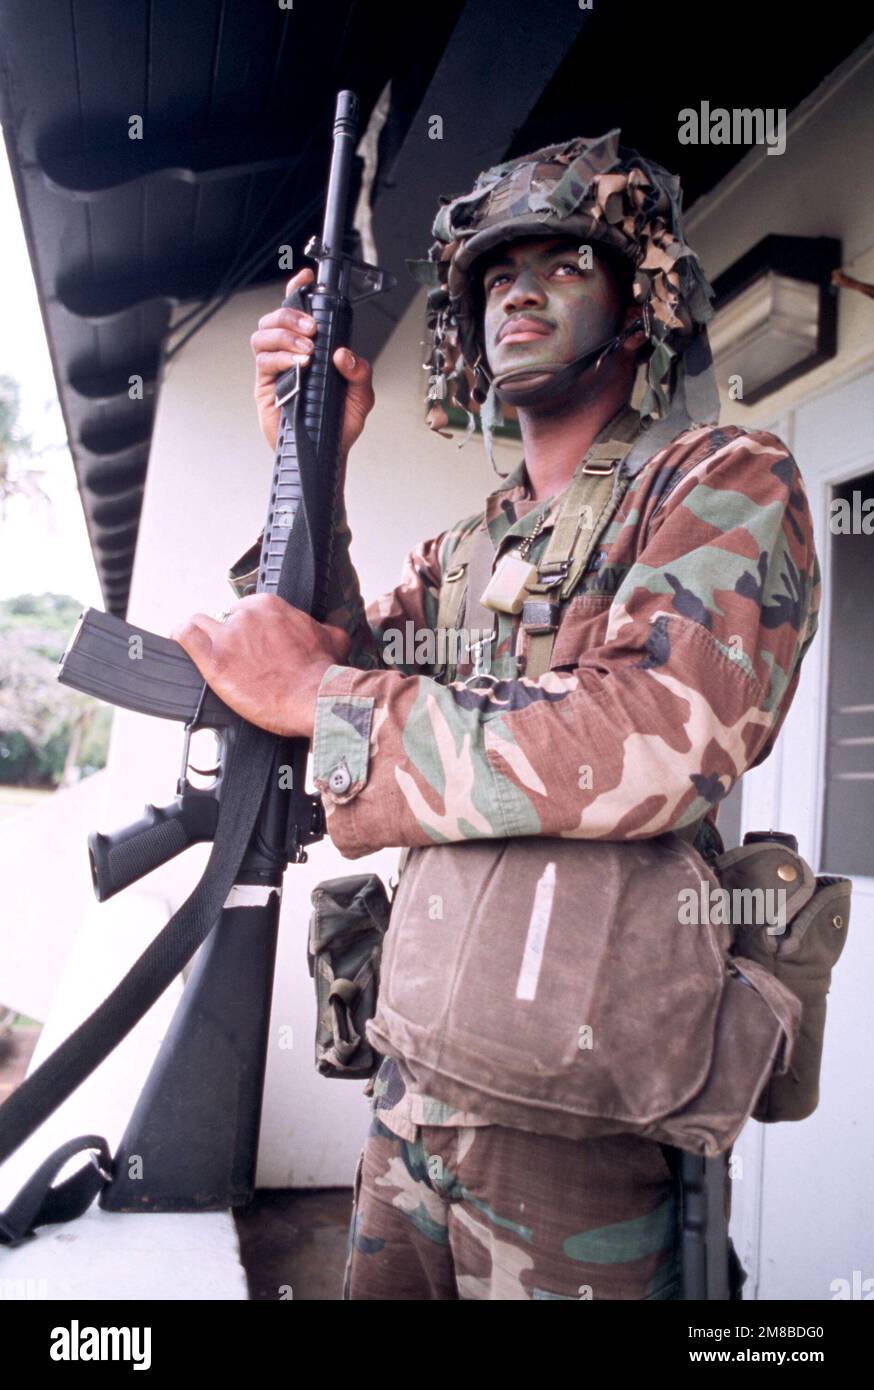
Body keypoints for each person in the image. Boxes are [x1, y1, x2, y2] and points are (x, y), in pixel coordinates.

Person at [172, 132, 821, 1300]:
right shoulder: (473, 548)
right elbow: (322, 689)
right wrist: (305, 463)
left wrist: (322, 695)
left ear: (637, 301)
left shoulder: (724, 480)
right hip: (409, 1091)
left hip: (581, 1141)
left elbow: (659, 738)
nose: (515, 287)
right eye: (492, 273)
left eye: (562, 260)